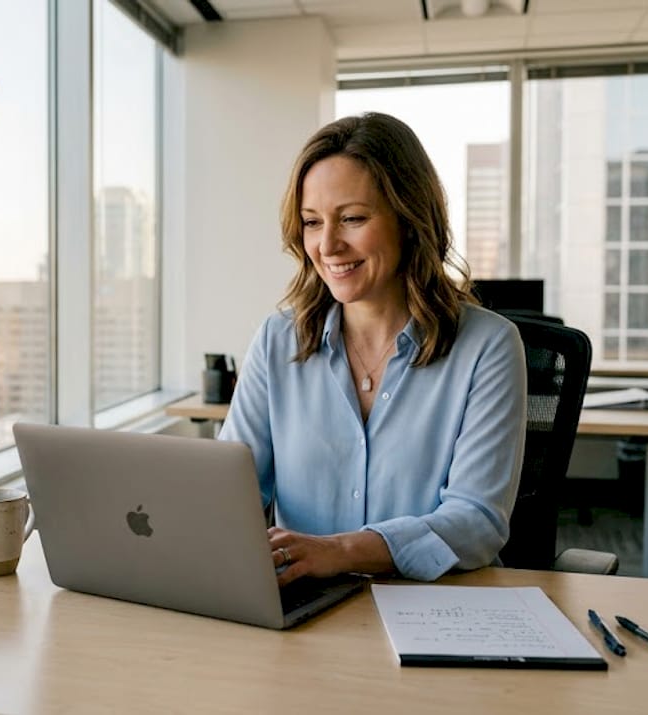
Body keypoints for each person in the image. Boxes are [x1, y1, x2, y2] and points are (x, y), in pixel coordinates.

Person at [218, 112, 527, 585]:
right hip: (308, 605)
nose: (328, 245)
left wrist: (340, 551)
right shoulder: (277, 341)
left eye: (353, 219)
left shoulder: (488, 346)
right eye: (312, 222)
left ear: (410, 219)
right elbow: (229, 492)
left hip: (436, 604)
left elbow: (476, 521)